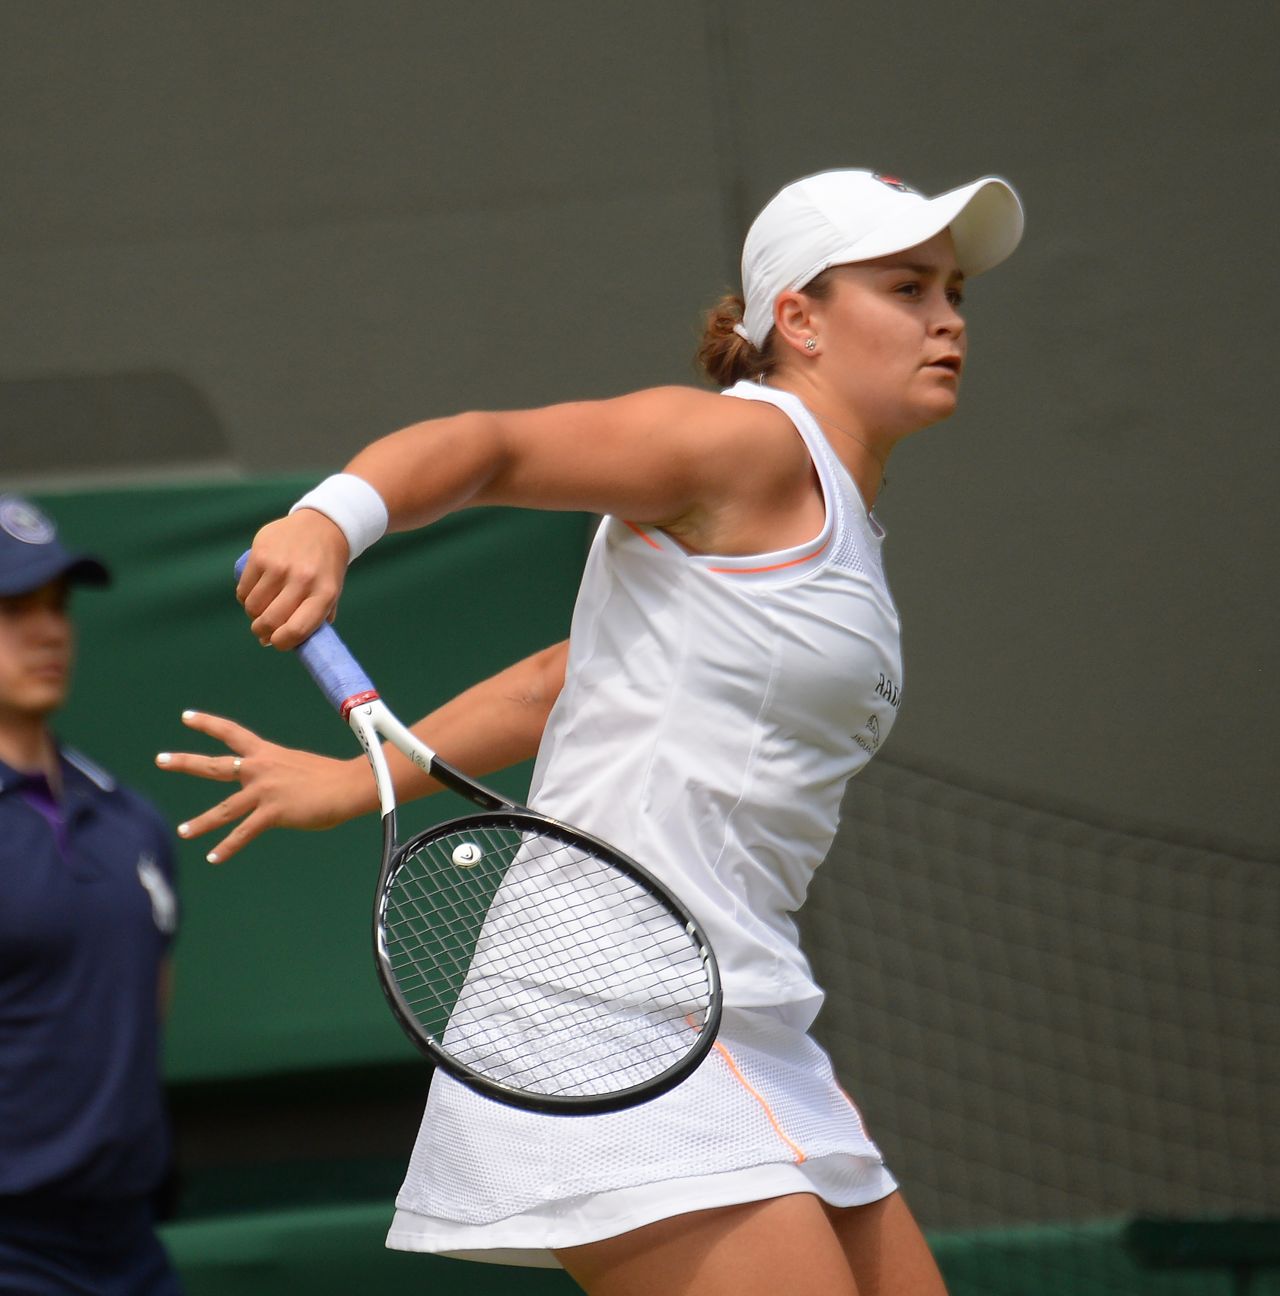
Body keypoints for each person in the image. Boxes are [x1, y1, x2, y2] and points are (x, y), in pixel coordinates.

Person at [158, 168, 1024, 1296]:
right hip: (604, 1010)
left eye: (952, 290)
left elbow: (565, 676)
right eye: (906, 286)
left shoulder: (840, 525)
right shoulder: (738, 447)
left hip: (743, 1004)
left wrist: (348, 780)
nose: (946, 316)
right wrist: (330, 517)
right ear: (797, 320)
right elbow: (492, 446)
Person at [0, 496, 182, 1295]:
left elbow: (149, 1006)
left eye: (58, 606)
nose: (50, 631)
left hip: (128, 1245)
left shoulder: (132, 820)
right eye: (13, 609)